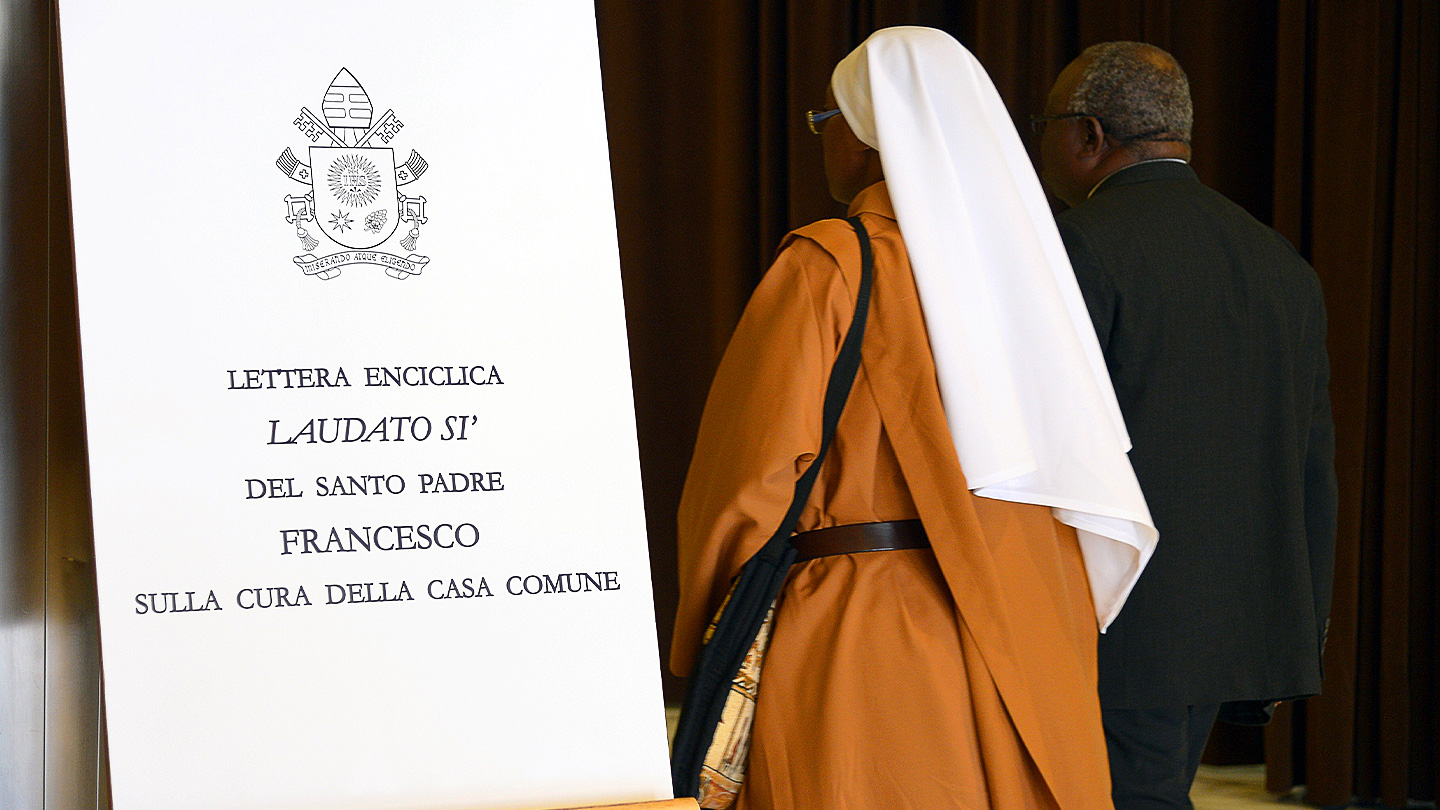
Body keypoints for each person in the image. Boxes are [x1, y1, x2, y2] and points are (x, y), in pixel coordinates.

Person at [672, 27, 1160, 810]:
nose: (821, 143)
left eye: (825, 121)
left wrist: (704, 622)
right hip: (1031, 625)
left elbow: (749, 477)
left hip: (860, 637)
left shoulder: (830, 263)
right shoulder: (1029, 278)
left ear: (871, 135)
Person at [1036, 42, 1338, 810]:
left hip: (1116, 623)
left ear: (1088, 136)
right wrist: (1301, 621)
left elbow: (1047, 446)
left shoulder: (1076, 250)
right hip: (1236, 618)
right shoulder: (1281, 265)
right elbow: (1313, 470)